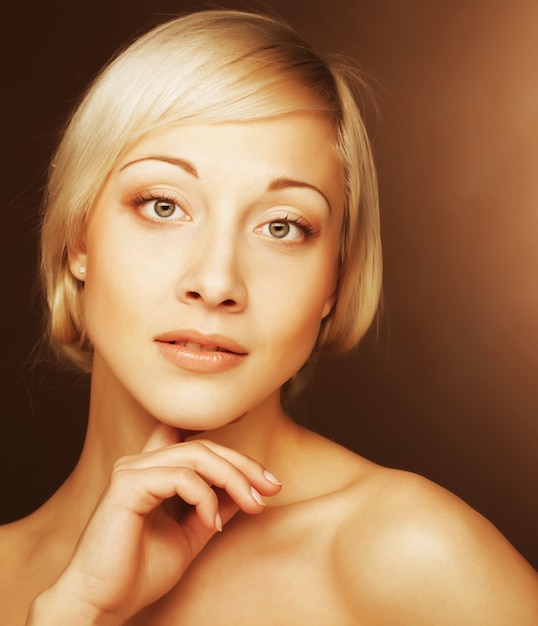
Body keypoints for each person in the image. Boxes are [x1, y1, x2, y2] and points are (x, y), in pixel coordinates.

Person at [0, 8, 536, 625]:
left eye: (282, 226)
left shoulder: (409, 556)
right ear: (77, 241)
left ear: (334, 280)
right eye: (164, 206)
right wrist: (76, 613)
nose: (217, 282)